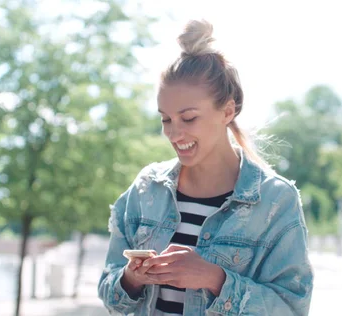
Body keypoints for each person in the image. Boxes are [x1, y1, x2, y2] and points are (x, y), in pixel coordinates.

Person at [97, 19, 313, 316]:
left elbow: (292, 308)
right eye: (166, 119)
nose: (174, 134)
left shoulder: (276, 201)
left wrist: (214, 279)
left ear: (227, 110)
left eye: (188, 118)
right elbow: (110, 291)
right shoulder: (147, 189)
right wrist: (132, 278)